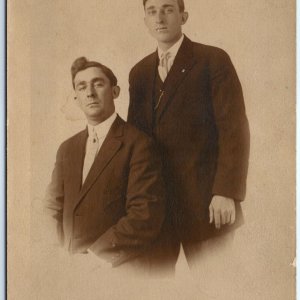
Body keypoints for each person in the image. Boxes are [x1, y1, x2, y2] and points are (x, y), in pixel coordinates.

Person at [128, 0, 250, 281]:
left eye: (168, 8)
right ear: (145, 20)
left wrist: (226, 192)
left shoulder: (212, 60)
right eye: (151, 11)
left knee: (216, 288)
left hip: (207, 205)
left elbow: (234, 130)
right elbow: (136, 142)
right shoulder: (139, 73)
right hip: (156, 211)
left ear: (183, 16)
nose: (159, 17)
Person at [45, 57, 166, 272]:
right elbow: (52, 207)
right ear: (76, 98)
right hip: (68, 269)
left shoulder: (139, 144)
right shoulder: (67, 149)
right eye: (82, 87)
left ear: (115, 91)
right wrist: (56, 253)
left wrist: (94, 256)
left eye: (98, 84)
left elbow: (144, 215)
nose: (89, 93)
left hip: (116, 269)